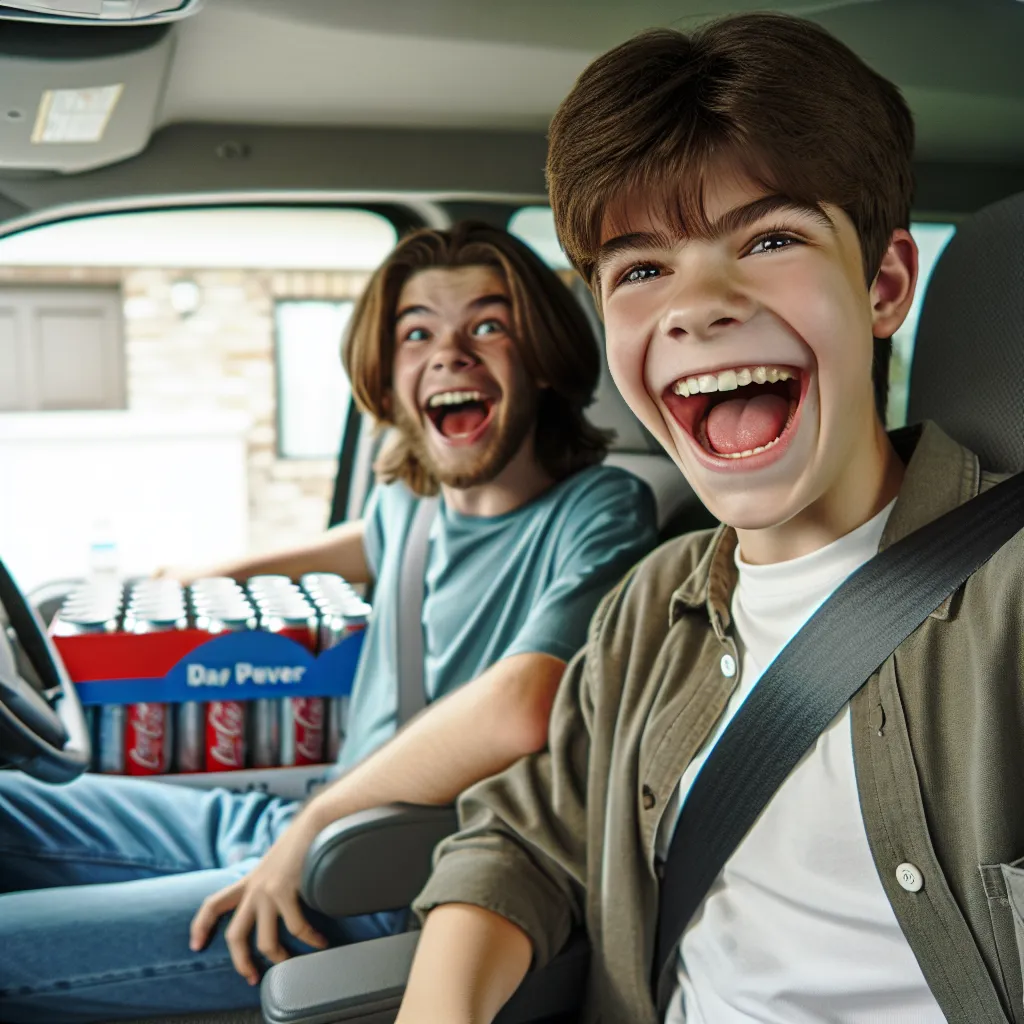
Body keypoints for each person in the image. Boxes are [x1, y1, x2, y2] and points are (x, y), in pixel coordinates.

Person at [398, 15, 1024, 1024]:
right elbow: (522, 834)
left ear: (884, 285)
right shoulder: (653, 603)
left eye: (770, 239)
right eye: (641, 269)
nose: (698, 304)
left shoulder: (1009, 603)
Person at [0, 222, 659, 1023]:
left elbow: (524, 700)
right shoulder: (409, 509)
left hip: (391, 867)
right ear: (389, 377)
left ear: (547, 363)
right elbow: (362, 543)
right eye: (418, 333)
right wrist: (214, 574)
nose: (450, 353)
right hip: (293, 820)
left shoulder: (600, 509)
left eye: (489, 326)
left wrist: (318, 821)